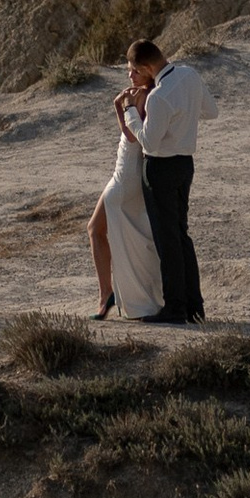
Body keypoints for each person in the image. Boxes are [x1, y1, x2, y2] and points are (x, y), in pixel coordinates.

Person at [130, 39, 220, 324]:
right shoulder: (190, 75)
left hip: (161, 168)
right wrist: (185, 116)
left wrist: (132, 112)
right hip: (185, 164)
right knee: (181, 236)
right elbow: (211, 111)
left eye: (134, 69)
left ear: (146, 67)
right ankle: (195, 307)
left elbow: (149, 143)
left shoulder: (158, 97)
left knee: (167, 239)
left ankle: (175, 308)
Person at [89, 60, 165, 321]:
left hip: (126, 176)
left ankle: (108, 295)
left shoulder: (144, 96)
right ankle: (108, 294)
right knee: (100, 229)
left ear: (146, 70)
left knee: (96, 229)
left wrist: (118, 109)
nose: (130, 75)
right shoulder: (148, 94)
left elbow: (132, 136)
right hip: (125, 173)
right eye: (128, 71)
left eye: (134, 71)